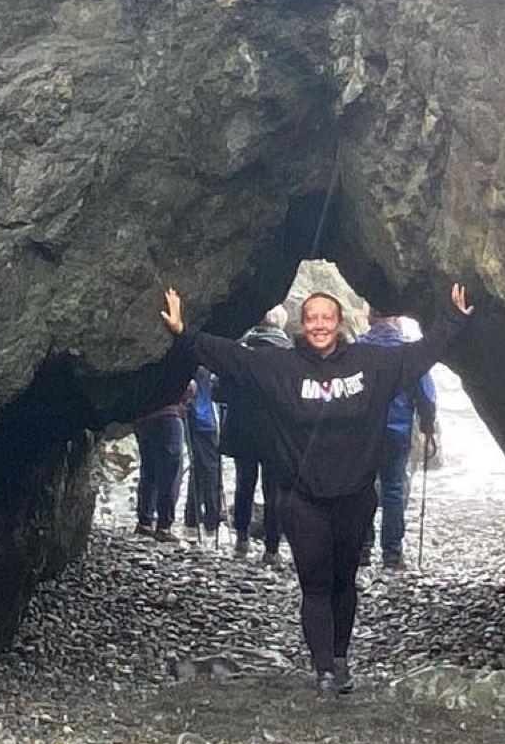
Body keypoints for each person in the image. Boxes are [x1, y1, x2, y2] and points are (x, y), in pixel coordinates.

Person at [162, 283, 473, 701]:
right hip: (301, 497)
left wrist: (453, 320)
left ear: (340, 322)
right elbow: (231, 359)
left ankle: (340, 658)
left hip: (355, 495)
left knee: (345, 580)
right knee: (315, 584)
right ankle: (324, 669)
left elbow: (419, 356)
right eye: (312, 319)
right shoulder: (279, 366)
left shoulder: (372, 363)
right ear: (302, 325)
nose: (320, 325)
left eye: (327, 318)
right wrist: (184, 333)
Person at [356, 309, 438, 571]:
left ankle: (362, 549)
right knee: (393, 488)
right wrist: (427, 427)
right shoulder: (409, 352)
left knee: (361, 487)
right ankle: (392, 554)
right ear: (396, 319)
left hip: (362, 431)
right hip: (398, 428)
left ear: (370, 318)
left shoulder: (356, 350)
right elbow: (426, 394)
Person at [221, 307, 293, 563]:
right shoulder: (290, 357)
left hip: (242, 428)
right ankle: (272, 548)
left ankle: (241, 539)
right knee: (273, 488)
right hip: (276, 432)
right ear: (281, 326)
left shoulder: (242, 352)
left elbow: (219, 392)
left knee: (244, 482)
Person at [132, 398, 187, 542]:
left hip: (142, 417)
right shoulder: (172, 374)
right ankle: (164, 525)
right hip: (168, 415)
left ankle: (145, 521)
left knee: (149, 470)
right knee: (170, 472)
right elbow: (189, 388)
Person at [182, 365, 223, 539]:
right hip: (207, 423)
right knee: (211, 471)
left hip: (198, 420)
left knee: (199, 468)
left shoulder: (195, 367)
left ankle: (193, 519)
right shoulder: (210, 368)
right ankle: (210, 520)